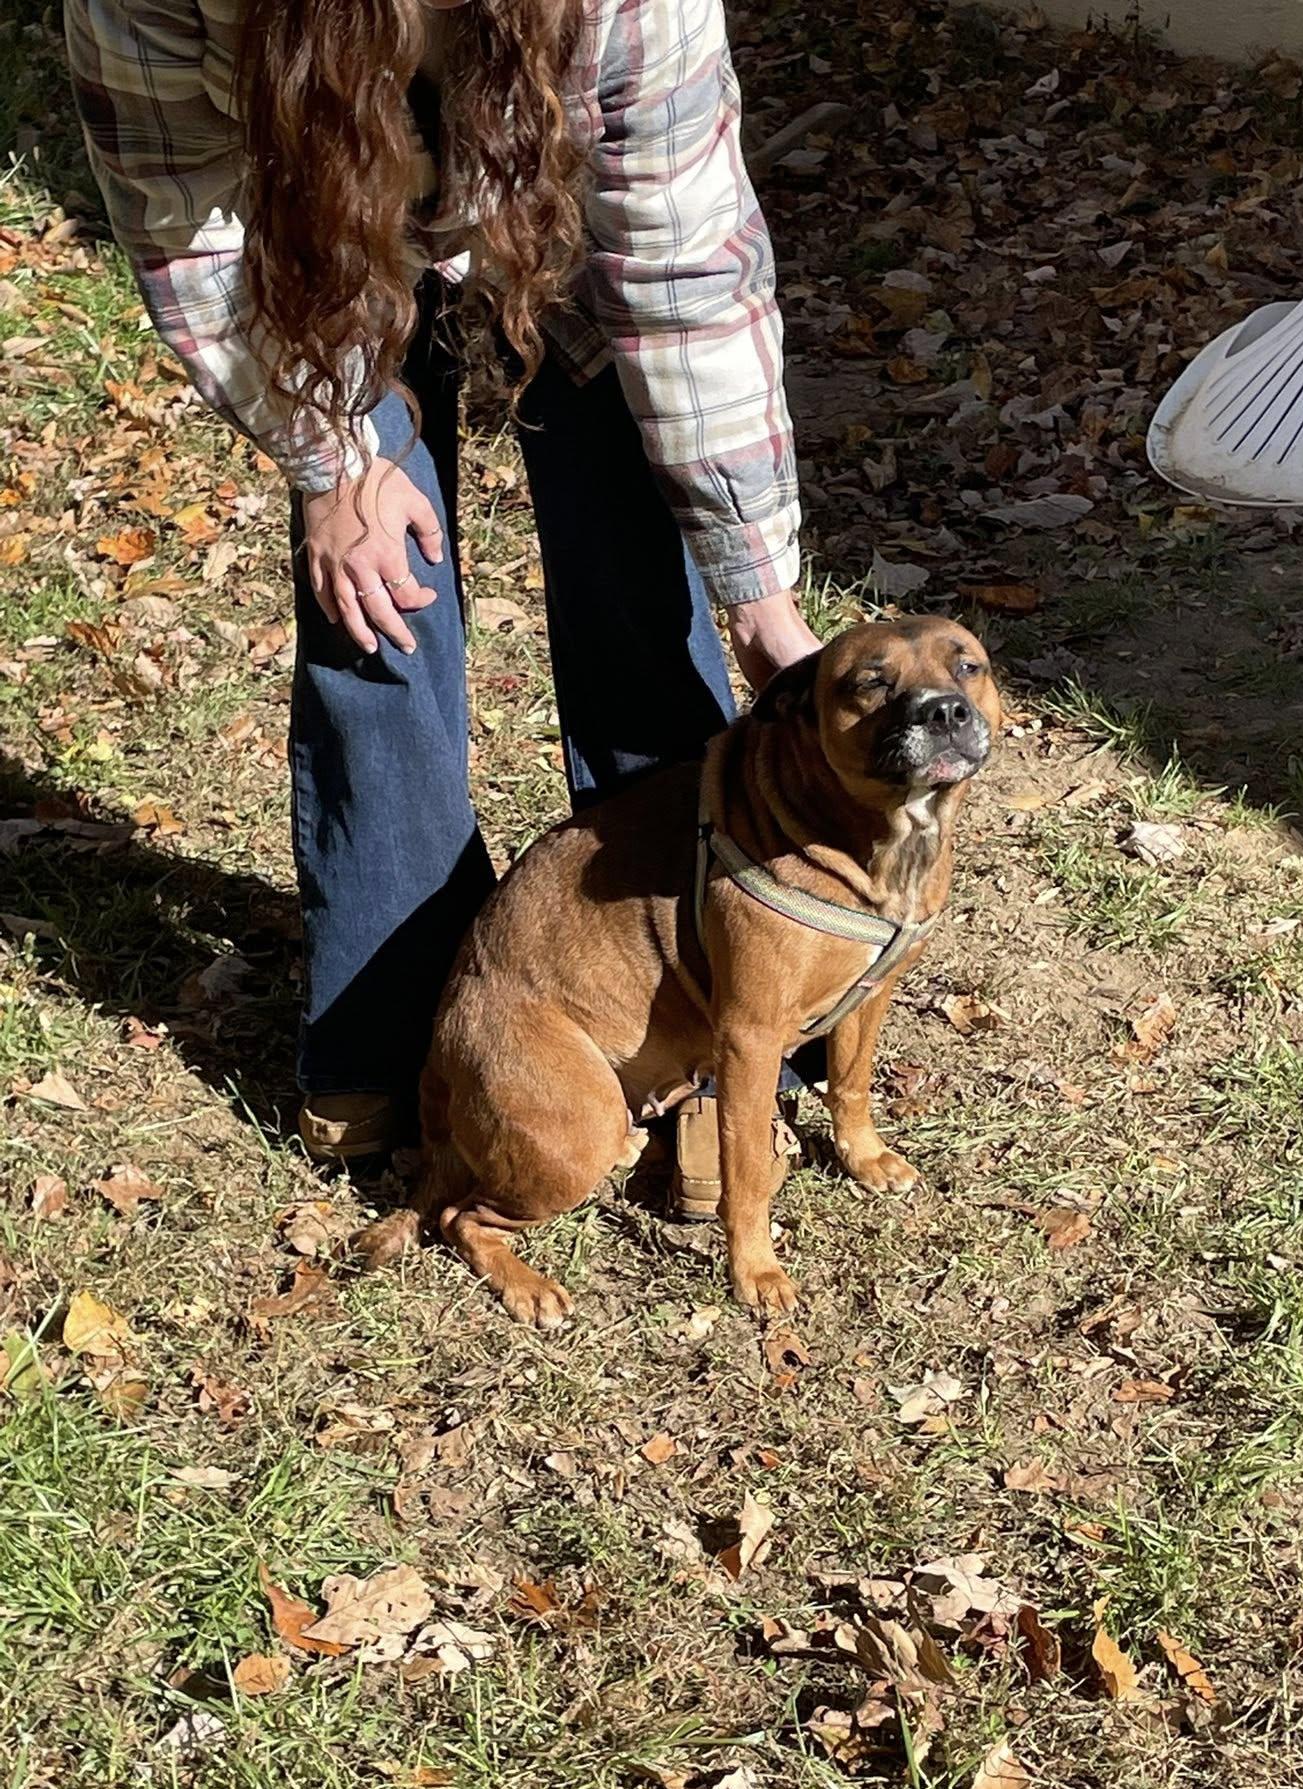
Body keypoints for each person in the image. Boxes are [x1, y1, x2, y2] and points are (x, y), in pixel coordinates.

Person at [64, 0, 820, 1205]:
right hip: (309, 216)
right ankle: (393, 1034)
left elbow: (684, 263)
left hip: (559, 179)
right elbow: (181, 219)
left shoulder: (623, 9)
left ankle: (691, 1017)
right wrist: (335, 461)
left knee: (638, 530)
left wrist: (759, 583)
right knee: (373, 579)